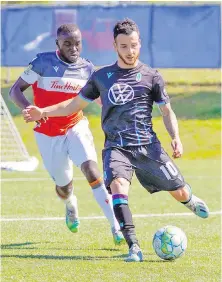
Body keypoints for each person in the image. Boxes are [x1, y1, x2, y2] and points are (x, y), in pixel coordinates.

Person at [22, 19, 209, 262]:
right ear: (115, 46)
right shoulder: (102, 77)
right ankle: (133, 246)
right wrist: (43, 112)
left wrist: (175, 138)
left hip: (147, 146)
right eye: (123, 46)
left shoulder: (152, 77)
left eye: (133, 45)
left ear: (139, 44)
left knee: (180, 191)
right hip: (116, 147)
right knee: (118, 188)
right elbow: (73, 104)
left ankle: (189, 200)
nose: (129, 51)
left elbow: (166, 111)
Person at [9, 23, 125, 245]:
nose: (73, 48)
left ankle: (116, 226)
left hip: (75, 126)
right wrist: (29, 110)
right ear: (58, 45)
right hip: (47, 133)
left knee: (91, 169)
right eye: (67, 44)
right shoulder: (42, 62)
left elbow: (101, 100)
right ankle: (70, 202)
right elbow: (15, 90)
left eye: (77, 43)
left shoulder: (88, 69)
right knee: (64, 185)